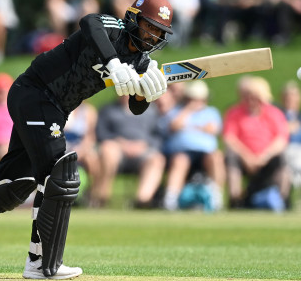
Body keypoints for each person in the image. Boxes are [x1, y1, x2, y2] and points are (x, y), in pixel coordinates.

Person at [0, 0, 172, 280]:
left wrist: (148, 92)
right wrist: (112, 62)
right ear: (133, 20)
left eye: (159, 32)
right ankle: (41, 262)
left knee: (15, 183)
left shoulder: (141, 60)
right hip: (35, 93)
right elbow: (89, 21)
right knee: (59, 172)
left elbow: (137, 107)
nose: (153, 36)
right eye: (150, 27)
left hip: (53, 108)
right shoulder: (112, 30)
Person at [223, 76, 290, 212]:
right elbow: (230, 138)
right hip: (243, 158)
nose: (251, 100)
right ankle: (235, 200)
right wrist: (247, 157)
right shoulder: (234, 113)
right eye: (248, 96)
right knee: (231, 159)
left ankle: (282, 200)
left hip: (267, 158)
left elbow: (281, 139)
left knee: (282, 161)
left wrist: (264, 156)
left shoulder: (274, 113)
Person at [157, 80, 224, 212]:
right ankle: (171, 199)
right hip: (182, 152)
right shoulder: (176, 111)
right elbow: (174, 126)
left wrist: (189, 127)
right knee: (180, 161)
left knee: (216, 157)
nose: (196, 102)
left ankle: (216, 197)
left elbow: (212, 129)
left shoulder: (211, 112)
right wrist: (189, 111)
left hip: (205, 153)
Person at [92, 94, 165, 209]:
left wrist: (144, 144)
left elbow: (158, 137)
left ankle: (143, 201)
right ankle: (101, 197)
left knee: (157, 159)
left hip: (142, 151)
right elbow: (101, 133)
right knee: (108, 149)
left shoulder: (151, 111)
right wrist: (119, 142)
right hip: (116, 149)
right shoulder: (108, 110)